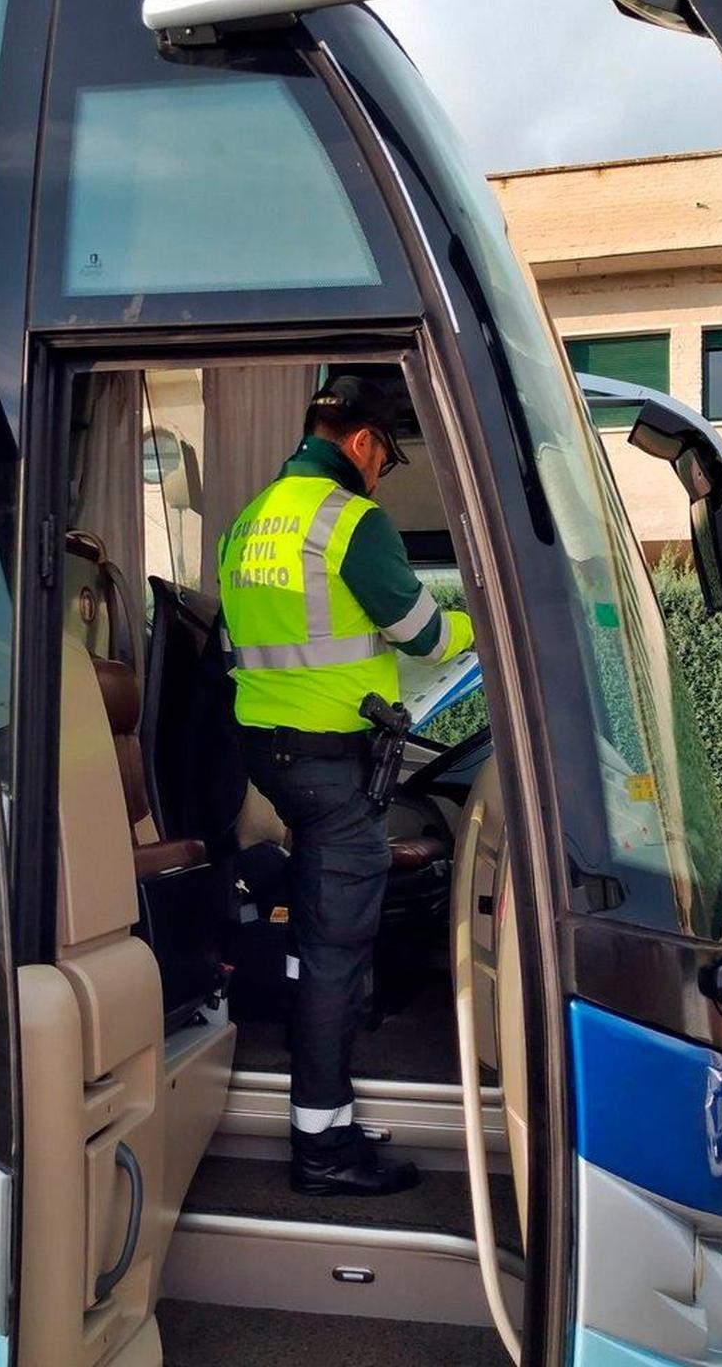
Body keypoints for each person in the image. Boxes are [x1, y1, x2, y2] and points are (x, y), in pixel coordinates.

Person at [217, 373, 475, 1196]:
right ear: (362, 443)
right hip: (330, 770)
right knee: (336, 952)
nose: (380, 474)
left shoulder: (247, 522)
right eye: (386, 458)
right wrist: (492, 622)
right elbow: (428, 636)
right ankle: (320, 1148)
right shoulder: (349, 521)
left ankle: (326, 1120)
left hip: (273, 759)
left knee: (319, 939)